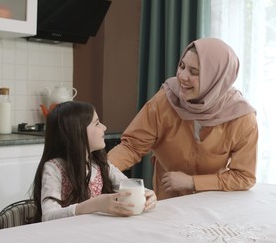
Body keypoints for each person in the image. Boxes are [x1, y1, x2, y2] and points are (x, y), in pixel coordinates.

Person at [108, 38, 258, 200]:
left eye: (194, 72)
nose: (182, 77)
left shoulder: (241, 118)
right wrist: (102, 168)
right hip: (168, 202)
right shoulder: (164, 101)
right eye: (182, 66)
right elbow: (132, 147)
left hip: (215, 203)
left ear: (216, 78)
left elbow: (244, 177)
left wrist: (193, 182)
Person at [31, 101, 157, 222]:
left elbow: (129, 186)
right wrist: (94, 205)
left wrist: (147, 194)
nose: (104, 127)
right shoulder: (54, 168)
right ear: (77, 131)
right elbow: (48, 216)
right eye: (97, 123)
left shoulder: (101, 164)